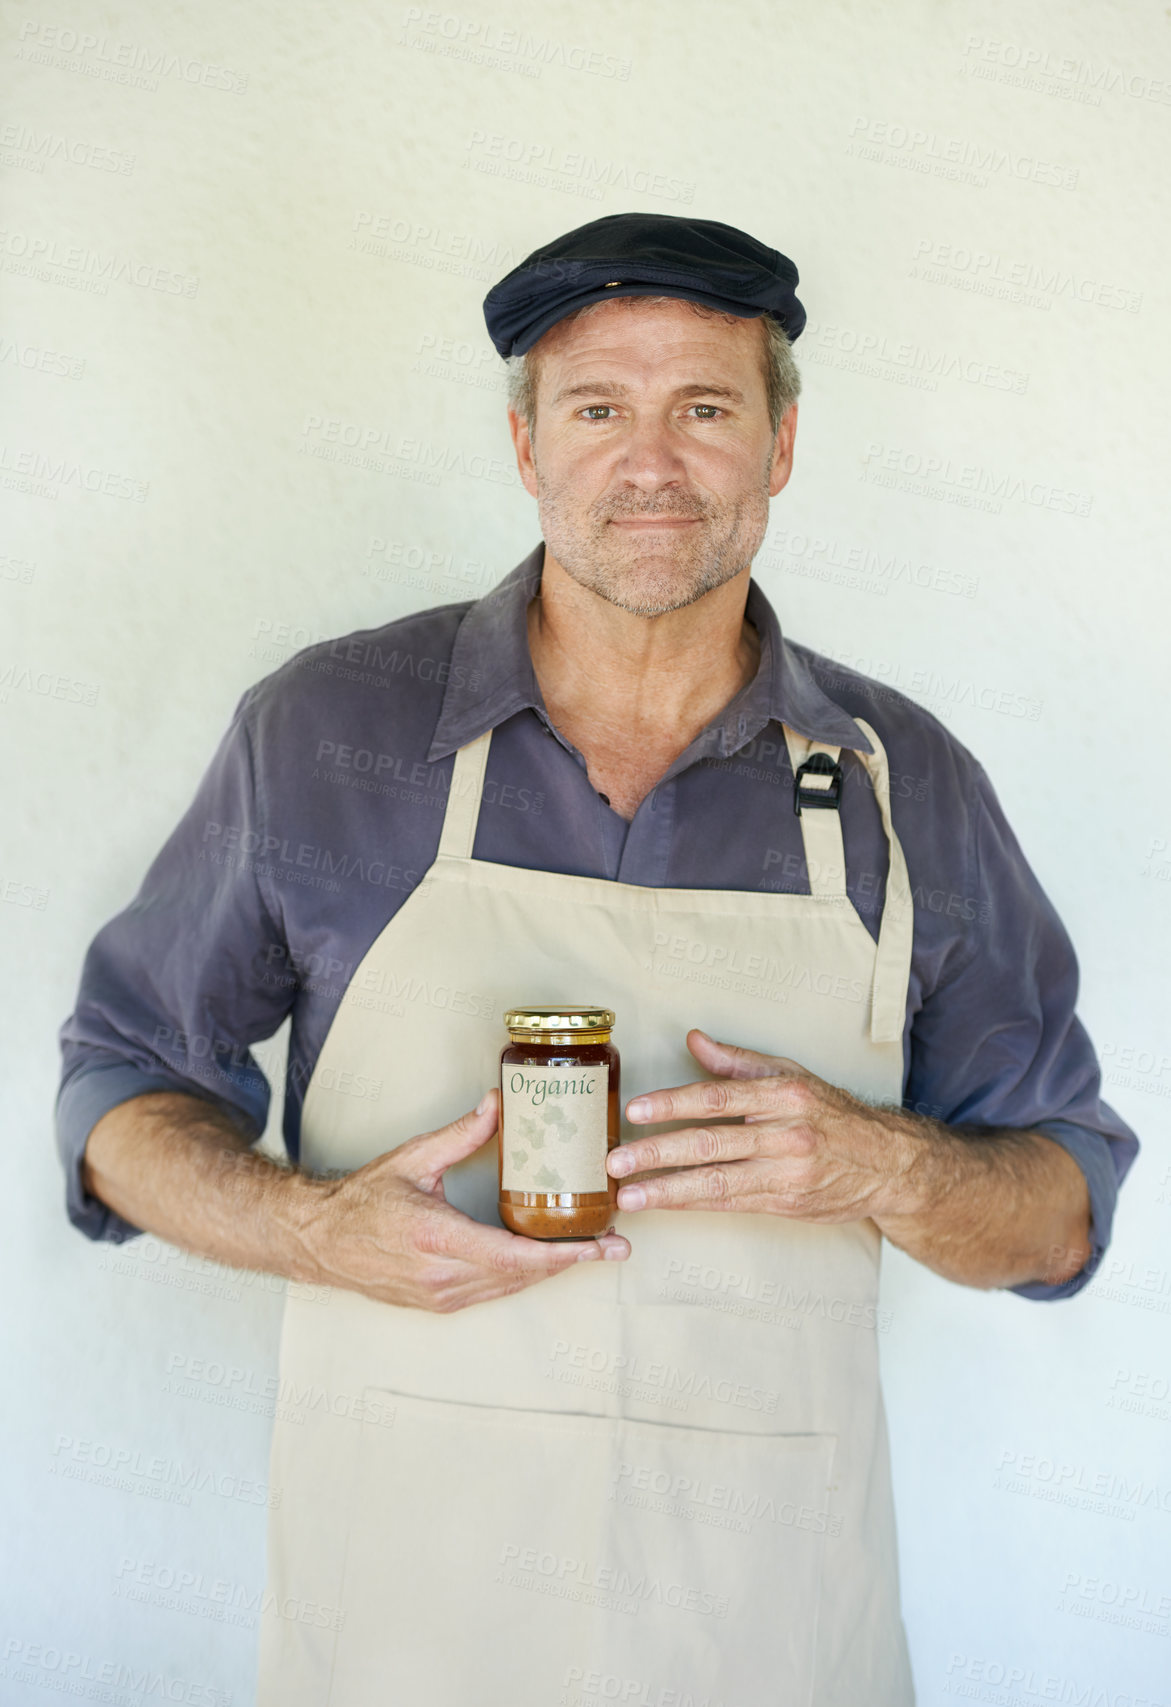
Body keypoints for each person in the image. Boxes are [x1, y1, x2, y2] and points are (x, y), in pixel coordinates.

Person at [57, 213, 1138, 1705]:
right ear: (525, 447)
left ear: (781, 442)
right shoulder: (327, 736)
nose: (652, 463)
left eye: (705, 407)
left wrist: (884, 1169)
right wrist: (312, 1230)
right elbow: (118, 1100)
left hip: (772, 1639)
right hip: (402, 1633)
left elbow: (1061, 1215)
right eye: (597, 410)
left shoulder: (903, 784)